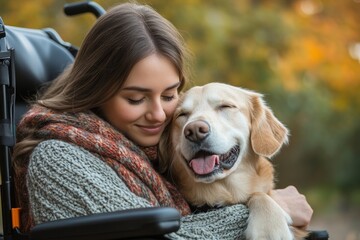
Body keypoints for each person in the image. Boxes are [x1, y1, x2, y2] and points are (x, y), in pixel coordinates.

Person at [13, 2, 312, 239]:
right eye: (135, 99)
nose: (159, 114)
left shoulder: (163, 154)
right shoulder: (58, 159)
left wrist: (262, 201)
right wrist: (273, 210)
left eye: (170, 96)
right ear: (96, 92)